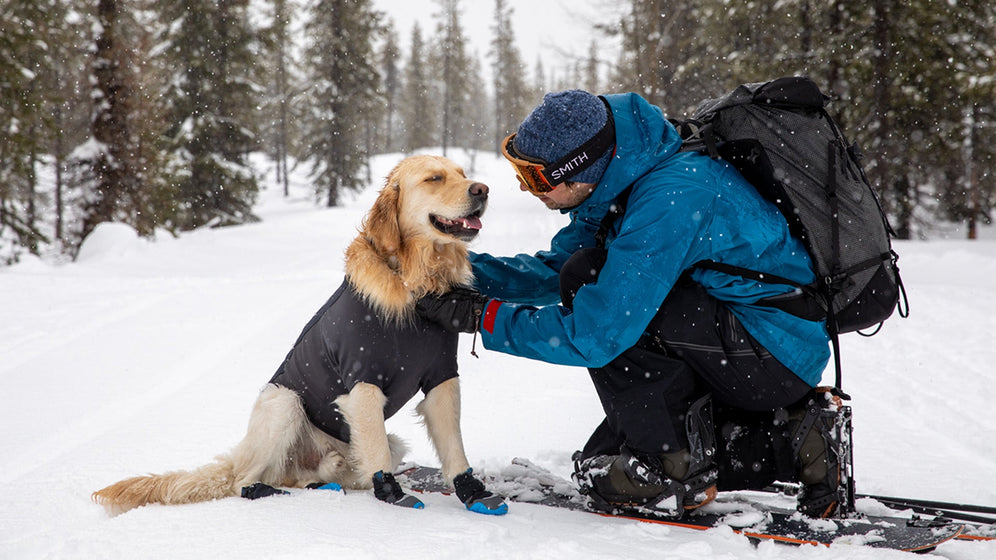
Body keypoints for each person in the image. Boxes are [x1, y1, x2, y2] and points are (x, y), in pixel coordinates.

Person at [417, 90, 840, 517]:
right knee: (602, 454)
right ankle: (797, 439)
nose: (528, 189)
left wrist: (481, 316)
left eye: (537, 178)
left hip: (773, 352)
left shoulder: (672, 196)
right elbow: (555, 268)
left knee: (595, 284)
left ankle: (672, 468)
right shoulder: (619, 180)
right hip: (743, 339)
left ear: (577, 171)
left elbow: (598, 332)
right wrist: (455, 270)